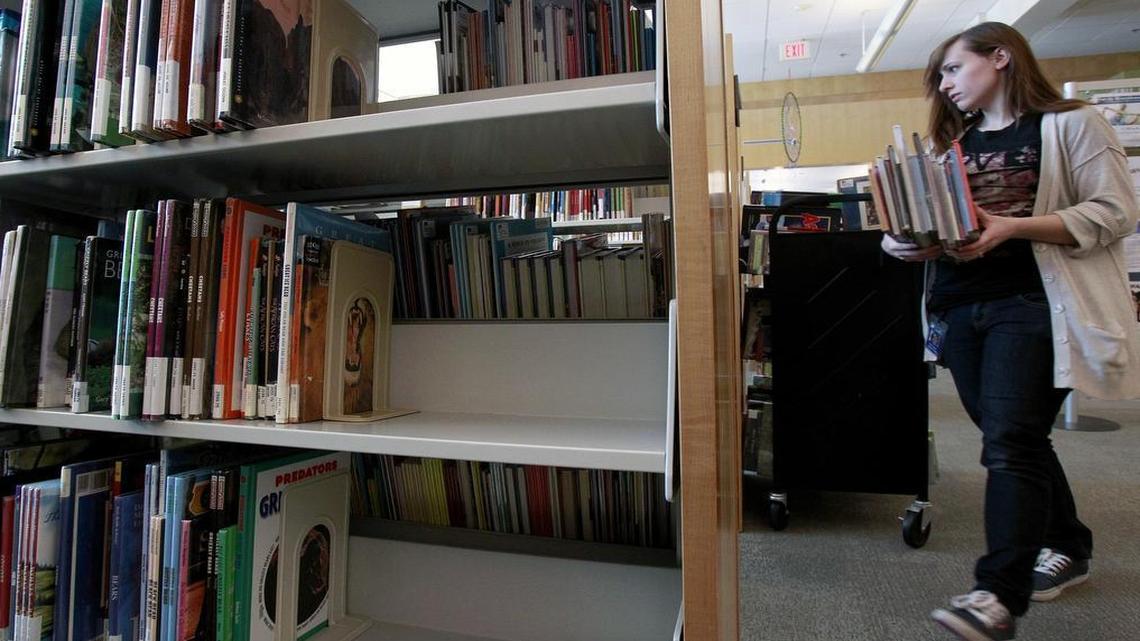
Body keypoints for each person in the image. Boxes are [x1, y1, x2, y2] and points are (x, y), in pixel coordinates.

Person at [880, 21, 1140, 641]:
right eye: (940, 77)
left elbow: (1116, 211)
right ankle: (1069, 542)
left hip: (1031, 304)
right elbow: (944, 227)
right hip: (959, 308)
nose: (944, 87)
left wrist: (1012, 228)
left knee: (1010, 443)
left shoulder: (1071, 124)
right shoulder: (953, 149)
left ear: (1000, 58)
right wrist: (908, 242)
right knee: (1013, 434)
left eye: (951, 70)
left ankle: (996, 596)